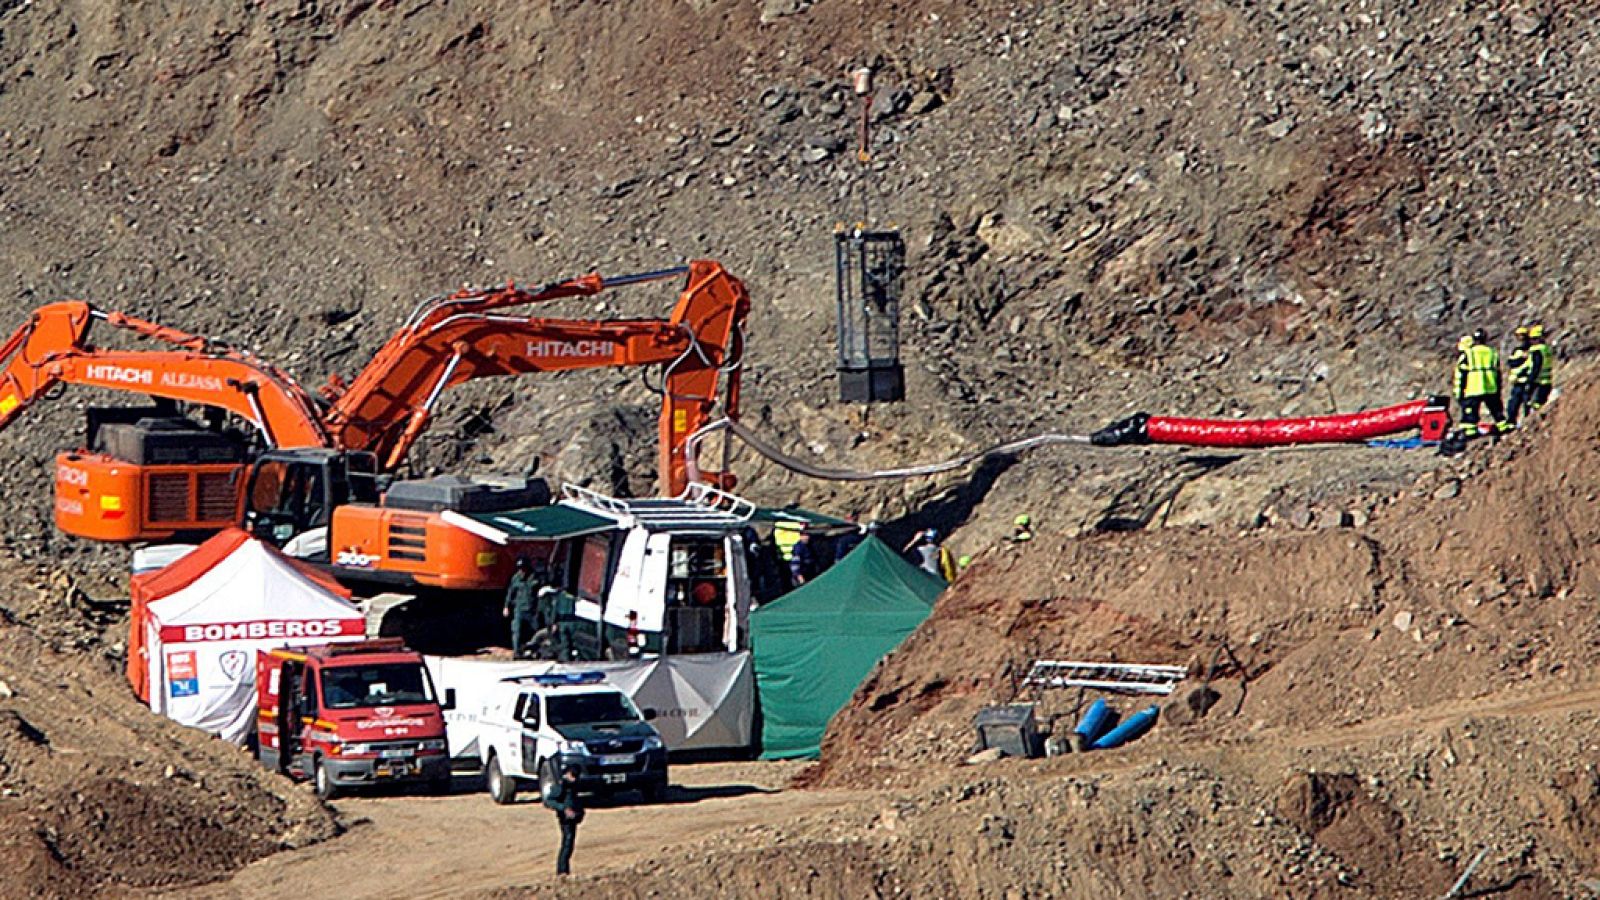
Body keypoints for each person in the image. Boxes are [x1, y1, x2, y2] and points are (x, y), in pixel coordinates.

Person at [1453, 331, 1505, 435]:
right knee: (1497, 412)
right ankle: (1504, 428)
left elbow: (1461, 375)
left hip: (1473, 388)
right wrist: (1498, 389)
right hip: (1490, 387)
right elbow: (1498, 372)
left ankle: (1470, 433)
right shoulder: (1492, 352)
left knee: (1470, 416)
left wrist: (1459, 393)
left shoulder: (1468, 354)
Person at [544, 764, 585, 876]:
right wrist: (563, 809)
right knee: (567, 843)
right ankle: (562, 871)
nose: (574, 779)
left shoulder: (574, 785)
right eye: (573, 776)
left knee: (570, 844)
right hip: (565, 819)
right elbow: (549, 801)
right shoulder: (561, 785)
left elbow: (576, 799)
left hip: (573, 818)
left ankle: (564, 870)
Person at [1508, 323, 1554, 424]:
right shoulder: (1546, 349)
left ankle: (1531, 423)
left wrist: (1529, 380)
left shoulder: (1536, 350)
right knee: (1530, 404)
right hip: (1545, 380)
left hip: (1537, 381)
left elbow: (1535, 367)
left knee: (1531, 404)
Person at [503, 557, 540, 659]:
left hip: (532, 609)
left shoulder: (535, 577)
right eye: (519, 568)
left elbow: (540, 592)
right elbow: (510, 593)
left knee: (535, 631)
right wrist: (506, 606)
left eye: (523, 568)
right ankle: (517, 653)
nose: (521, 571)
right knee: (517, 631)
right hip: (519, 608)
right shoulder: (515, 578)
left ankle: (534, 651)